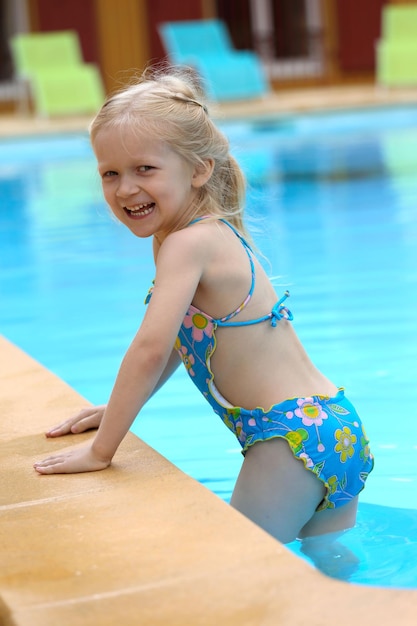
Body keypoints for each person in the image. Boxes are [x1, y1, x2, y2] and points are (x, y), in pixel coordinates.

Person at [34, 65, 374, 545]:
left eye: (144, 169)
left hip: (286, 440)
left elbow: (150, 347)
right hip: (333, 426)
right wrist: (117, 410)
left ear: (199, 169)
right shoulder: (215, 232)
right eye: (110, 173)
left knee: (243, 575)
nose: (125, 188)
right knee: (327, 570)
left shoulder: (185, 244)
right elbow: (185, 340)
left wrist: (102, 449)